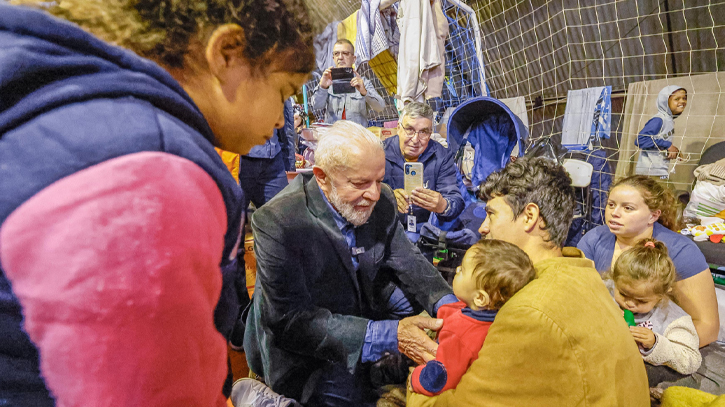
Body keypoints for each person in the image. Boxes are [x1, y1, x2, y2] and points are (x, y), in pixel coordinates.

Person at [0, 1, 313, 406]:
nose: (278, 119)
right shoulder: (149, 175)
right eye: (283, 92)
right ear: (227, 53)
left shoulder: (88, 114)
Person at [243, 120, 456, 406]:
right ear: (321, 177)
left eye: (379, 180)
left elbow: (410, 260)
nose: (375, 194)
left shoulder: (382, 202)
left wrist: (450, 308)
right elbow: (290, 322)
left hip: (356, 306)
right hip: (304, 342)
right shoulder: (278, 221)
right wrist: (388, 336)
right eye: (360, 184)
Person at [407, 156, 649, 407]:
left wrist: (417, 375)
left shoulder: (528, 313)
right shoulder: (581, 273)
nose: (482, 228)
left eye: (491, 214)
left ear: (530, 216)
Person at [578, 175, 720, 347]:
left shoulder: (683, 252)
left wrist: (657, 349)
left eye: (628, 208)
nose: (614, 213)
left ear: (653, 215)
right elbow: (579, 297)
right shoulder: (594, 239)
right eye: (611, 204)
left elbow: (707, 327)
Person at [409, 239, 536, 396]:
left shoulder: (459, 334)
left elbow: (439, 379)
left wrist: (416, 379)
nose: (456, 270)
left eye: (462, 270)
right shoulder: (493, 318)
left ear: (480, 299)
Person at [606, 239, 701, 383]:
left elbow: (691, 360)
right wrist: (602, 311)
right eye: (623, 294)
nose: (630, 303)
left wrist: (656, 344)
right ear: (615, 280)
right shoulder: (603, 291)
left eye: (641, 301)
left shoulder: (673, 318)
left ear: (661, 296)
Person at [382, 102, 464, 240]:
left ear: (430, 133)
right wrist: (386, 196)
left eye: (423, 132)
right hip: (386, 227)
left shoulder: (442, 156)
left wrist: (443, 205)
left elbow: (456, 200)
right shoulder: (380, 152)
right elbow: (361, 190)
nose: (415, 140)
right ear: (398, 128)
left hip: (425, 229)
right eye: (409, 129)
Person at [311, 39, 385, 127]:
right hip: (334, 137)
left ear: (354, 59)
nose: (340, 57)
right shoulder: (327, 81)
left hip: (356, 137)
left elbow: (380, 107)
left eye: (345, 53)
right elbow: (316, 106)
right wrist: (322, 87)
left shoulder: (363, 82)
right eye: (336, 54)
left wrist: (364, 92)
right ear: (333, 58)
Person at [239, 99, 296, 208]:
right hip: (239, 159)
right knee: (232, 220)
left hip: (274, 157)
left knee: (283, 215)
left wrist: (287, 154)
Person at [635, 85, 687, 179]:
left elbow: (658, 140)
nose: (682, 101)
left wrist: (673, 150)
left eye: (684, 98)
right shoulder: (659, 119)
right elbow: (640, 140)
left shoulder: (669, 120)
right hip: (649, 172)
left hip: (659, 170)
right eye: (677, 99)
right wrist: (668, 145)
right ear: (665, 102)